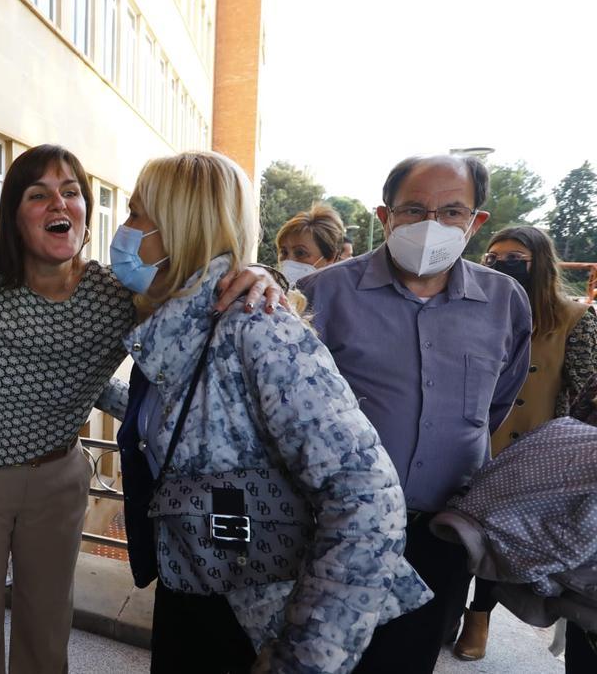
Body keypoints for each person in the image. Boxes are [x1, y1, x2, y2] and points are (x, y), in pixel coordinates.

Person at [0, 144, 286, 674]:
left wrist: (269, 275)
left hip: (58, 482)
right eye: (38, 194)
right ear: (15, 215)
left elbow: (199, 294)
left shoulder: (117, 296)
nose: (58, 204)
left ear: (86, 212)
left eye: (71, 192)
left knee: (46, 628)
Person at [109, 151, 428, 673]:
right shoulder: (179, 323)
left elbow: (367, 496)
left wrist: (304, 658)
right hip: (195, 587)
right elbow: (189, 427)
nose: (125, 231)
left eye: (137, 214)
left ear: (183, 227)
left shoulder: (260, 325)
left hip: (260, 621)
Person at [296, 155, 533, 674]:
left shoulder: (504, 302)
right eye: (413, 210)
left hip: (441, 533)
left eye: (452, 211)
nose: (432, 225)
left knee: (409, 660)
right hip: (333, 528)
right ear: (385, 216)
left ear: (476, 222)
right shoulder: (325, 294)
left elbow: (498, 401)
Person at [449, 225, 597, 661]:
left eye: (515, 257)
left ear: (540, 263)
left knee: (503, 539)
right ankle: (451, 610)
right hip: (479, 439)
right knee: (461, 532)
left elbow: (582, 389)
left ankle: (479, 616)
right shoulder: (478, 308)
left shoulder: (574, 318)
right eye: (493, 257)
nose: (500, 264)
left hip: (534, 450)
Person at [274, 203, 345, 284]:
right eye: (284, 252)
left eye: (300, 253)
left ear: (331, 258)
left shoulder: (342, 295)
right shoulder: (270, 292)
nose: (288, 261)